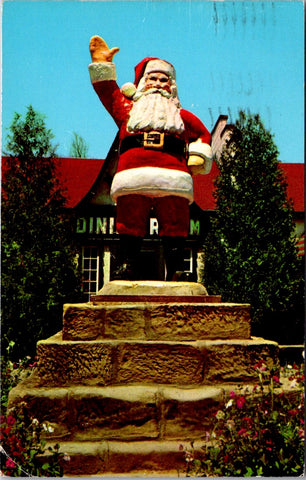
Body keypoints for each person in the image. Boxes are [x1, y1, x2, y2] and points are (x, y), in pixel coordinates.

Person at [88, 36, 213, 280]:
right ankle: (128, 265)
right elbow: (107, 92)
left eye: (163, 79)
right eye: (152, 78)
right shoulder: (128, 111)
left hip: (174, 177)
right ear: (142, 83)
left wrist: (199, 154)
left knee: (176, 220)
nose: (158, 84)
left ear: (172, 86)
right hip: (133, 176)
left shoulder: (181, 117)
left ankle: (176, 270)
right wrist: (101, 64)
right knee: (130, 218)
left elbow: (203, 135)